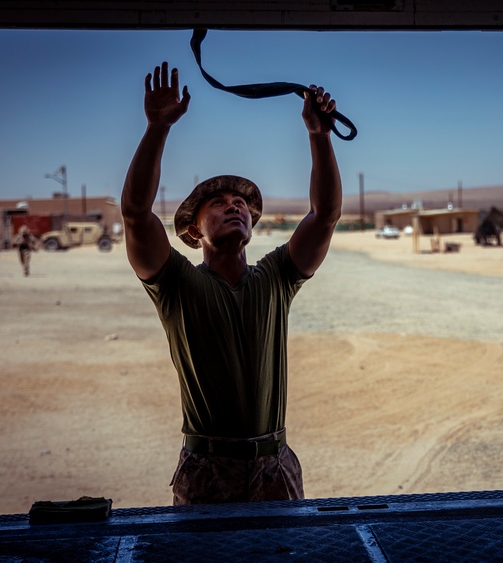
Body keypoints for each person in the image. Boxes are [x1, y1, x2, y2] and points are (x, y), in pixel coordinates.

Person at [121, 61, 342, 504]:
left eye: (241, 202)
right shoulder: (177, 285)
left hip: (275, 467)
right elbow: (136, 215)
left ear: (252, 226)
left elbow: (325, 216)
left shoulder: (276, 278)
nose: (234, 206)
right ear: (192, 232)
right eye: (218, 203)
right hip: (207, 472)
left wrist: (320, 137)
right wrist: (157, 128)